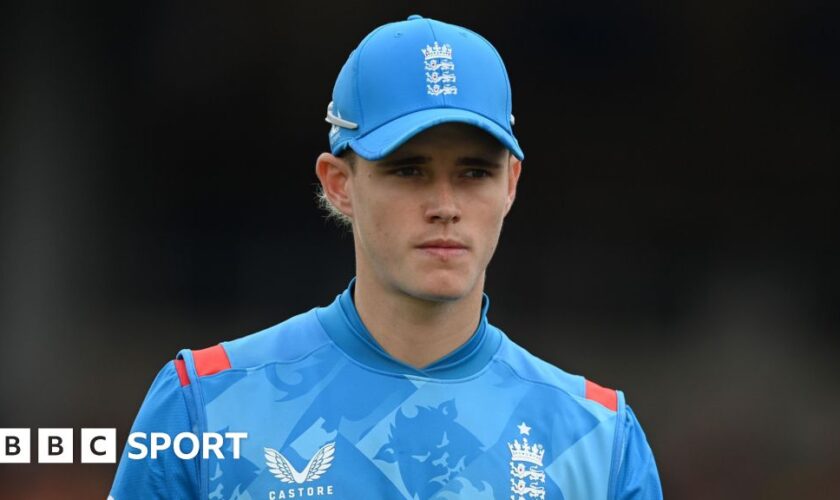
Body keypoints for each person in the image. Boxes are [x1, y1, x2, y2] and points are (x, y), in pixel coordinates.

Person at [109, 15, 662, 500]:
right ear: (338, 183)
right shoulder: (205, 405)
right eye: (408, 170)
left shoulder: (598, 437)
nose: (445, 206)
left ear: (511, 184)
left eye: (475, 172)